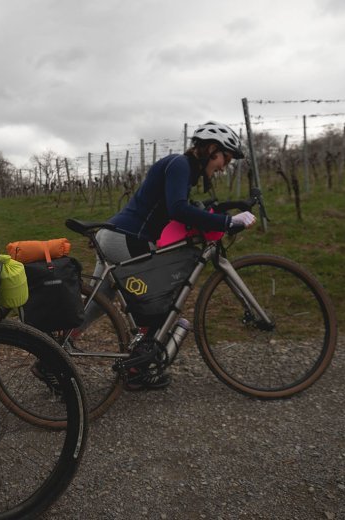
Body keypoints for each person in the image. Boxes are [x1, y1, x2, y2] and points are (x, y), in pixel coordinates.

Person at [87, 121, 256, 390]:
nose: (225, 165)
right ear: (212, 148)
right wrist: (226, 223)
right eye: (226, 157)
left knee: (97, 304)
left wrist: (227, 209)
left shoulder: (184, 171)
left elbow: (183, 206)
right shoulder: (181, 164)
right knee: (157, 304)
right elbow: (178, 209)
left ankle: (50, 354)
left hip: (116, 235)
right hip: (127, 239)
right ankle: (136, 369)